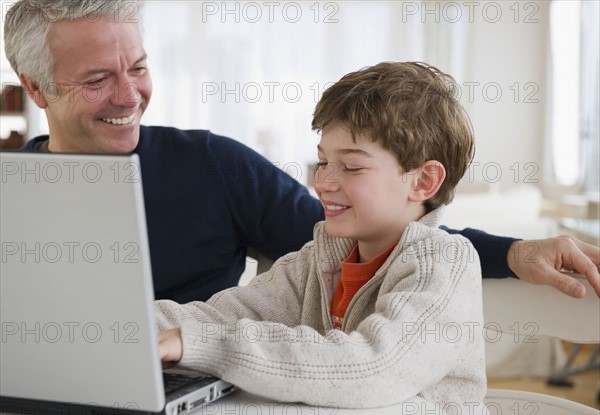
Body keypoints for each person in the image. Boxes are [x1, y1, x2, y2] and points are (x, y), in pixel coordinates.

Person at [3, 0, 599, 302]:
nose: (130, 95)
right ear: (36, 88)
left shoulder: (212, 166)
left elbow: (375, 237)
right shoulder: (12, 189)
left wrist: (515, 251)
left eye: (138, 67)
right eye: (98, 79)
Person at [157, 61, 488, 415]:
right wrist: (120, 330)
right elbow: (218, 316)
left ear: (423, 181)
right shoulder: (315, 262)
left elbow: (371, 366)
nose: (323, 182)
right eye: (324, 161)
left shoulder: (445, 263)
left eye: (350, 166)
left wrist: (202, 344)